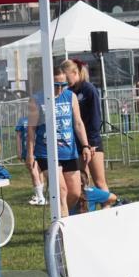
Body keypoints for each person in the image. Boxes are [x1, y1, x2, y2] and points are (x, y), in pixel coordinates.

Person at [26, 68, 92, 217]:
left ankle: (59, 215)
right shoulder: (36, 100)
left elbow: (78, 123)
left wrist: (86, 145)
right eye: (56, 85)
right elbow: (31, 129)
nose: (60, 89)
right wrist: (30, 154)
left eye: (64, 84)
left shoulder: (71, 97)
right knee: (61, 190)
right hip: (46, 152)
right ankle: (63, 229)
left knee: (74, 192)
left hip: (69, 151)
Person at [63, 59, 107, 192]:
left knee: (99, 182)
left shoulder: (89, 89)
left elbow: (95, 116)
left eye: (66, 76)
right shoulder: (69, 92)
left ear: (75, 72)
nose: (64, 80)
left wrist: (92, 142)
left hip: (91, 142)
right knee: (82, 181)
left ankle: (108, 206)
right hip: (77, 142)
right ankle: (85, 209)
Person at [16, 114, 45, 205]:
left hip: (38, 149)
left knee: (35, 172)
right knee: (35, 173)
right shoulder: (22, 119)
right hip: (27, 151)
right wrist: (19, 150)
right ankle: (38, 195)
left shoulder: (40, 118)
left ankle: (41, 197)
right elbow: (18, 136)